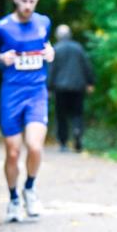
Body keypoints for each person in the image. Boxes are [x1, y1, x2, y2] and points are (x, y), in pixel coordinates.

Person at [0, 0, 55, 223]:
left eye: (32, 1)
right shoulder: (2, 26)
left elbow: (46, 45)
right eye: (24, 1)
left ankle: (29, 188)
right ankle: (13, 198)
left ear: (37, 1)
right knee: (12, 152)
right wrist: (0, 57)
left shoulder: (43, 22)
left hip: (36, 92)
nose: (28, 6)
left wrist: (50, 52)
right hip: (12, 93)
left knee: (34, 146)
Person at [47, 24, 95, 152]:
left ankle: (63, 143)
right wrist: (90, 83)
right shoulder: (78, 48)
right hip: (78, 87)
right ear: (70, 35)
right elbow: (87, 66)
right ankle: (77, 131)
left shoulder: (55, 49)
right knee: (77, 113)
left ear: (58, 36)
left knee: (61, 115)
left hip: (60, 88)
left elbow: (51, 70)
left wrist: (48, 88)